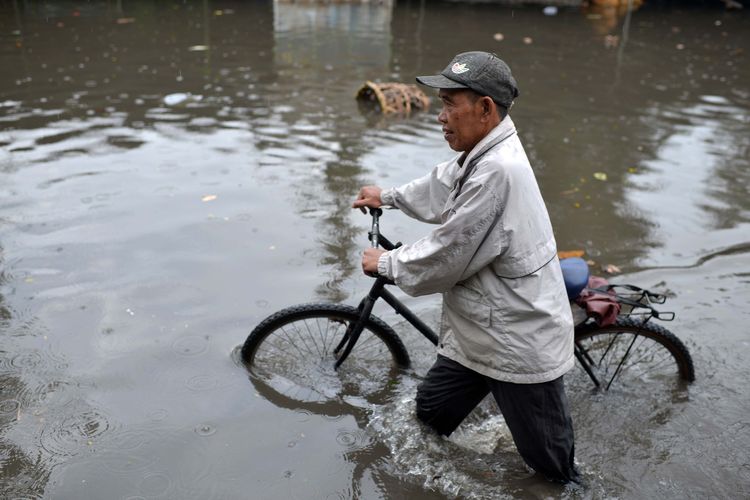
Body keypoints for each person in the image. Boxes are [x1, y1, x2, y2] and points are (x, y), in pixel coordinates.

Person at [351, 51, 580, 484]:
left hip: (516, 339)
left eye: (449, 104)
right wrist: (390, 195)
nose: (440, 116)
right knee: (427, 419)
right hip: (481, 333)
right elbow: (443, 183)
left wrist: (386, 262)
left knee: (553, 470)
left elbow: (448, 253)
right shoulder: (482, 150)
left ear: (485, 108)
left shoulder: (498, 170)